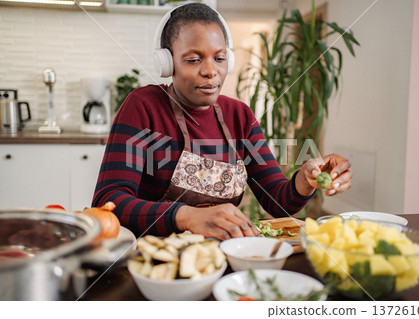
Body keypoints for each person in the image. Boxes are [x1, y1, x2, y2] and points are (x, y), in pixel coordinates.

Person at [92, 3, 352, 240]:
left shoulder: (240, 116)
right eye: (193, 59)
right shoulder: (143, 106)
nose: (210, 71)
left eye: (219, 58)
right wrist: (185, 216)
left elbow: (278, 202)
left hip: (224, 255)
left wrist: (306, 180)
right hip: (156, 257)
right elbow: (109, 201)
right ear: (168, 63)